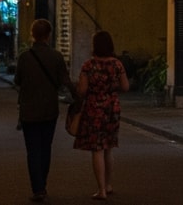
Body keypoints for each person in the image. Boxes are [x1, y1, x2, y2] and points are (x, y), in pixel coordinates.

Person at [15, 18, 70, 202]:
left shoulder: (24, 57)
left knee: (32, 150)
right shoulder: (56, 56)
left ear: (32, 35)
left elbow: (17, 80)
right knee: (45, 148)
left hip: (28, 110)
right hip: (49, 109)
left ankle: (37, 187)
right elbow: (65, 80)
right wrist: (78, 96)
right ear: (48, 35)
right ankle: (42, 184)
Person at [74, 30, 130, 200]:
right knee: (109, 148)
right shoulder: (117, 64)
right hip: (112, 108)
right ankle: (108, 184)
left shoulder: (88, 66)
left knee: (97, 149)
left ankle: (101, 190)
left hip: (93, 108)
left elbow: (82, 90)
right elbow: (126, 87)